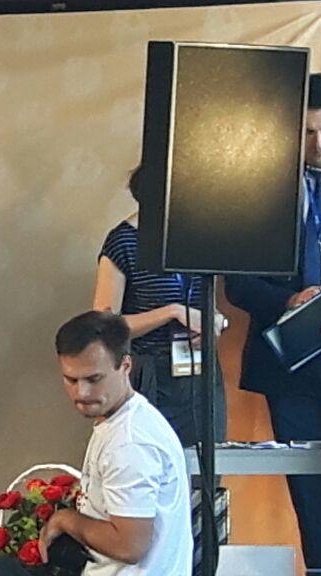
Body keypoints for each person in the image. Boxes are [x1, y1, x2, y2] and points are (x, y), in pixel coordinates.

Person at [41, 310, 193, 576]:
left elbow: (130, 544)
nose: (81, 393)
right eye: (70, 379)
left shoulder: (129, 441)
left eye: (94, 379)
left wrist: (68, 520)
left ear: (125, 365)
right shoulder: (122, 424)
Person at [225, 73, 321, 576]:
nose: (320, 144)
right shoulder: (260, 195)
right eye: (309, 133)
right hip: (289, 366)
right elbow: (237, 285)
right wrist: (289, 300)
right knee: (311, 494)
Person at [92, 165, 228, 448]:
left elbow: (206, 304)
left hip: (200, 371)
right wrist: (172, 311)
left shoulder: (197, 237)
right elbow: (104, 326)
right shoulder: (123, 241)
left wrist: (215, 322)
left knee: (206, 464)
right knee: (151, 458)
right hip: (149, 372)